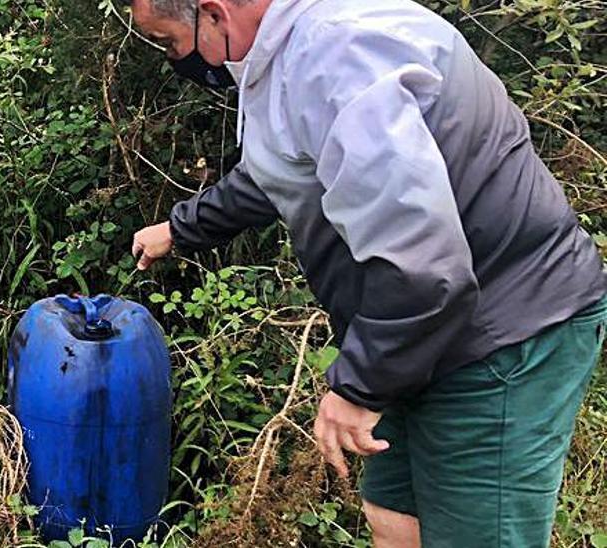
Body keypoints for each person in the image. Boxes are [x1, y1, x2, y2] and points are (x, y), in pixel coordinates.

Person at [124, 0, 607, 546]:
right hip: (419, 333)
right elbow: (281, 168)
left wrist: (358, 387)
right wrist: (182, 228)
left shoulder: (336, 55)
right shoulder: (284, 51)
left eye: (171, 41)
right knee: (394, 517)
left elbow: (422, 264)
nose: (179, 58)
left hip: (500, 332)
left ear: (214, 14)